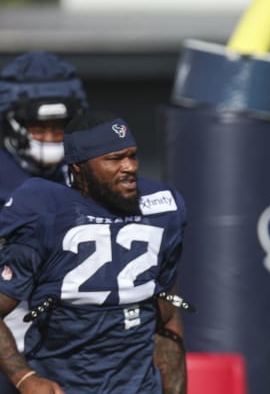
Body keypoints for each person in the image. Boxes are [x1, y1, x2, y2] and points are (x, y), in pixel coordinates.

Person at [0, 111, 189, 393]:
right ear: (79, 168)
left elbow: (167, 317)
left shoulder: (161, 210)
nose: (129, 167)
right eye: (114, 159)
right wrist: (25, 378)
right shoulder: (46, 212)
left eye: (132, 155)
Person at [0, 50, 88, 393]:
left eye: (60, 127)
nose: (51, 137)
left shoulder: (87, 174)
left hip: (72, 347)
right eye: (40, 127)